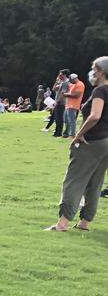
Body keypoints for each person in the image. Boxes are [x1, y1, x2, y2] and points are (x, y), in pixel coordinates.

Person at [45, 56, 108, 232]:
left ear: (101, 72)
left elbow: (95, 115)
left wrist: (78, 135)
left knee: (74, 180)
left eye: (94, 69)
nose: (92, 72)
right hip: (106, 143)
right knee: (95, 182)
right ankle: (84, 222)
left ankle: (62, 223)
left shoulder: (100, 91)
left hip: (93, 141)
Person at [63, 72, 85, 138]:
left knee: (72, 120)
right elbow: (66, 86)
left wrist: (66, 94)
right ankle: (67, 134)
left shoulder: (80, 84)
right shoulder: (73, 84)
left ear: (74, 79)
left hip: (73, 105)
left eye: (71, 80)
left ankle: (72, 135)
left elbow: (77, 95)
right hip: (68, 105)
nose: (70, 81)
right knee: (66, 120)